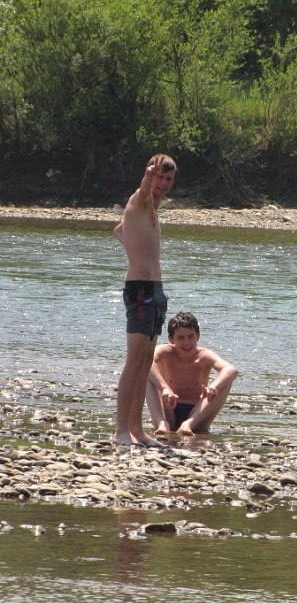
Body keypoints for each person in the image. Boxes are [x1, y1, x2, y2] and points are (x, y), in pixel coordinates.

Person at [112, 154, 177, 446]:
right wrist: (148, 177)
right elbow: (142, 189)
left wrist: (131, 241)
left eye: (168, 179)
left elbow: (118, 230)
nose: (162, 183)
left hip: (156, 289)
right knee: (134, 359)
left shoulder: (153, 209)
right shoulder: (140, 200)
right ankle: (121, 431)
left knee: (146, 361)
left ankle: (137, 430)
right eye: (159, 177)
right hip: (139, 289)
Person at [145, 311, 239, 436]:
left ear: (198, 336)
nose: (187, 343)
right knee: (147, 376)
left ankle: (188, 424)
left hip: (196, 414)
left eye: (191, 337)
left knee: (225, 383)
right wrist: (164, 388)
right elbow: (146, 361)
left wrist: (214, 386)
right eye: (181, 338)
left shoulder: (204, 356)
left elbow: (231, 369)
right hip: (168, 409)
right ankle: (162, 423)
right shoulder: (164, 352)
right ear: (171, 339)